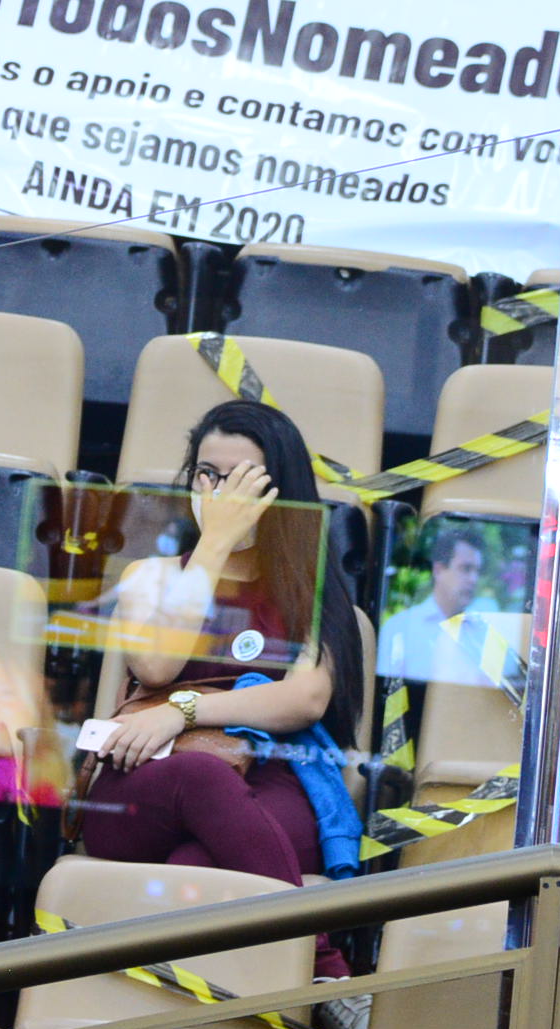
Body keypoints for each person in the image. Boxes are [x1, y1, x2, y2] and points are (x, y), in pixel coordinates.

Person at [82, 400, 367, 985]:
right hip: (146, 775)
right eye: (207, 475)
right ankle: (327, 970)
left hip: (270, 779)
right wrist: (213, 545)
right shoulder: (151, 577)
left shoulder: (310, 591)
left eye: (240, 480)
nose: (219, 493)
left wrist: (185, 712)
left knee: (197, 866)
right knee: (202, 779)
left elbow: (305, 700)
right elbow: (156, 666)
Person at [375, 524, 494, 685]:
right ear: (438, 570)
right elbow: (386, 690)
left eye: (477, 571)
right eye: (466, 569)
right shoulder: (400, 627)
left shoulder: (485, 632)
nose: (474, 579)